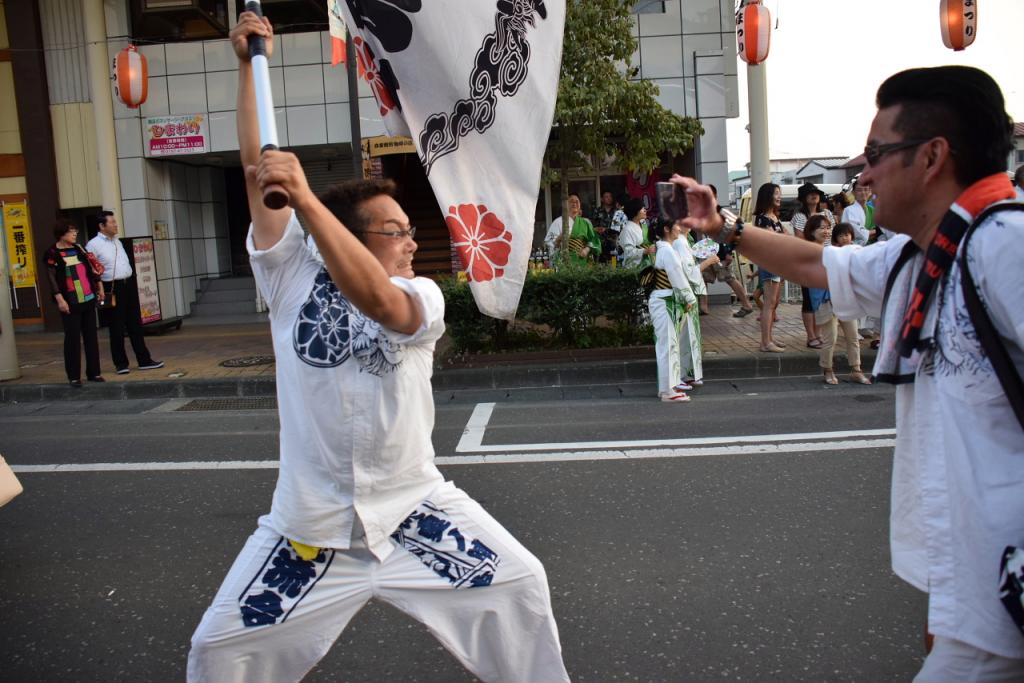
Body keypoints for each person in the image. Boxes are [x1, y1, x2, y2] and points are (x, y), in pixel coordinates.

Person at [188, 14, 570, 683]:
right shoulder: (290, 273)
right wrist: (252, 65)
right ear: (356, 234)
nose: (411, 240)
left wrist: (306, 197)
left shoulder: (421, 294)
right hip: (308, 531)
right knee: (219, 651)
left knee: (520, 587)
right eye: (395, 230)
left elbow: (378, 304)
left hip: (414, 512)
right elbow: (258, 171)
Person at [676, 65, 1024, 681]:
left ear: (932, 157)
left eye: (876, 153)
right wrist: (725, 228)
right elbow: (815, 263)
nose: (863, 173)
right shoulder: (918, 256)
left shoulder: (1005, 247)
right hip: (974, 595)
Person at [85, 211, 163, 374]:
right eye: (112, 222)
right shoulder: (93, 245)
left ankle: (144, 360)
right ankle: (121, 363)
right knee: (116, 326)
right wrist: (99, 288)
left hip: (128, 284)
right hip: (111, 287)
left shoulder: (117, 241)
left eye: (115, 222)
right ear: (102, 226)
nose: (115, 224)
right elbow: (91, 270)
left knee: (135, 324)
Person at [803, 218, 871, 385]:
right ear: (811, 231)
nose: (825, 231)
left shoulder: (832, 250)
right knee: (830, 338)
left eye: (827, 228)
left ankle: (856, 370)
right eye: (821, 228)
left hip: (844, 298)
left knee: (853, 335)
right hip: (825, 300)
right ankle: (828, 369)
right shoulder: (809, 252)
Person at [44, 220, 105, 387]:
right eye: (71, 231)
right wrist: (59, 299)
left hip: (87, 297)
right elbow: (51, 278)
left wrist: (99, 287)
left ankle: (94, 372)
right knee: (72, 339)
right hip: (69, 301)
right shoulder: (52, 252)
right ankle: (74, 376)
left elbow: (92, 269)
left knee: (91, 337)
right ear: (61, 233)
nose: (75, 234)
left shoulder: (79, 249)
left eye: (75, 231)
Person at [649, 219, 697, 402]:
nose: (679, 228)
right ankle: (669, 391)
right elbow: (678, 277)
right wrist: (690, 298)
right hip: (665, 301)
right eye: (675, 225)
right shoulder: (668, 251)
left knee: (665, 346)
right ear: (666, 229)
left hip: (662, 299)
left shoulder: (663, 249)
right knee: (668, 346)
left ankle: (666, 388)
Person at [698, 184, 753, 317]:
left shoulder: (721, 212)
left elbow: (738, 226)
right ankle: (703, 307)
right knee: (703, 278)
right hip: (707, 252)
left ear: (715, 196)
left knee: (729, 278)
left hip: (722, 253)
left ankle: (747, 304)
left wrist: (729, 252)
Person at [752, 183, 786, 353]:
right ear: (767, 196)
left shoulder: (773, 217)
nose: (779, 197)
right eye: (776, 194)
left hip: (777, 262)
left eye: (780, 193)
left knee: (773, 303)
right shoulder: (763, 218)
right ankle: (765, 342)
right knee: (769, 304)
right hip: (770, 263)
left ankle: (769, 339)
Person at [673, 219, 705, 387]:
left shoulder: (684, 240)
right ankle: (679, 375)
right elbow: (688, 271)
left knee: (687, 334)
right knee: (683, 335)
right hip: (684, 293)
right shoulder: (679, 242)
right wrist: (707, 263)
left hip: (686, 291)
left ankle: (685, 373)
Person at [543, 193, 599, 266]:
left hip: (582, 262)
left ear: (580, 205)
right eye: (571, 201)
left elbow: (593, 240)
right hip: (563, 262)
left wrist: (586, 249)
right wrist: (558, 240)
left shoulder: (586, 222)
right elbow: (549, 243)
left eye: (577, 201)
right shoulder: (558, 222)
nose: (574, 203)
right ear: (565, 204)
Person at [618, 198, 655, 269]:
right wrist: (645, 251)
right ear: (635, 211)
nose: (645, 210)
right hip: (635, 268)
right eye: (642, 208)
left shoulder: (644, 225)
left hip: (648, 265)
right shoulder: (627, 230)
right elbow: (628, 252)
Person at [591, 190, 620, 262]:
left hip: (614, 244)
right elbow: (592, 226)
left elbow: (618, 227)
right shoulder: (597, 211)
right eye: (606, 197)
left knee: (614, 265)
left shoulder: (616, 211)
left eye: (610, 196)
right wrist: (596, 229)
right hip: (600, 244)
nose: (609, 198)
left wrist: (606, 229)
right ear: (602, 199)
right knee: (600, 266)